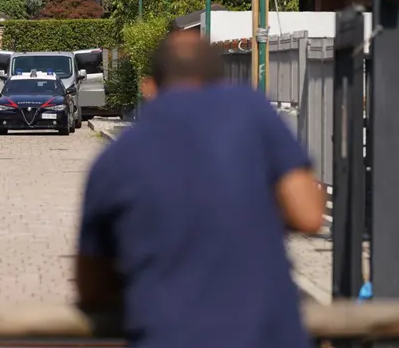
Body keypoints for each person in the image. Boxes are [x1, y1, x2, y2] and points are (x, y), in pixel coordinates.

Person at [76, 27, 325, 348]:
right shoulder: (252, 111)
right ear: (222, 80)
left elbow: (91, 287)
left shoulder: (113, 160)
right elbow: (308, 214)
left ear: (149, 88)